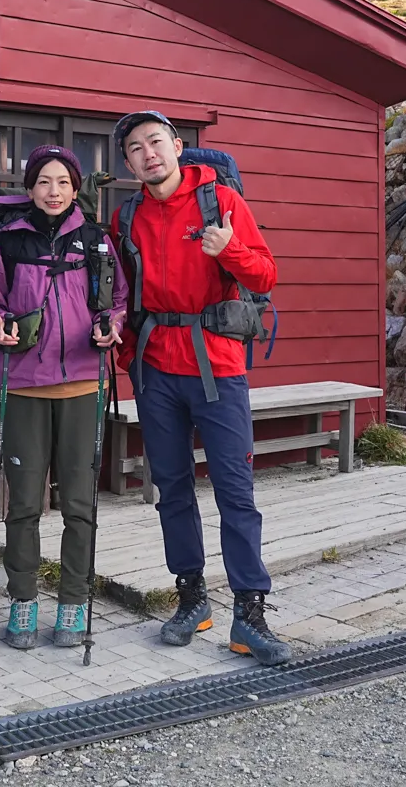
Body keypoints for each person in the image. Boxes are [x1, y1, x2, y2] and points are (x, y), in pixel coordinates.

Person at [110, 110, 291, 666]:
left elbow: (265, 275)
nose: (149, 153)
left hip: (217, 364)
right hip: (157, 368)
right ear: (128, 162)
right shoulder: (128, 216)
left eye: (157, 142)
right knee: (171, 487)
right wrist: (120, 349)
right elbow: (123, 295)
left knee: (236, 490)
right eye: (136, 148)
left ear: (177, 146)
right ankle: (192, 599)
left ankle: (249, 613)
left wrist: (227, 251)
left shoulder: (220, 201)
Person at [0, 146, 126, 650]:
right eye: (44, 182)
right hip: (23, 386)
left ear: (75, 186)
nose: (54, 191)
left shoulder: (97, 242)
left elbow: (119, 301)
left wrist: (112, 327)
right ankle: (22, 603)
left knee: (80, 505)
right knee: (22, 505)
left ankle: (73, 603)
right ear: (30, 187)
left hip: (84, 385)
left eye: (63, 182)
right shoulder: (8, 242)